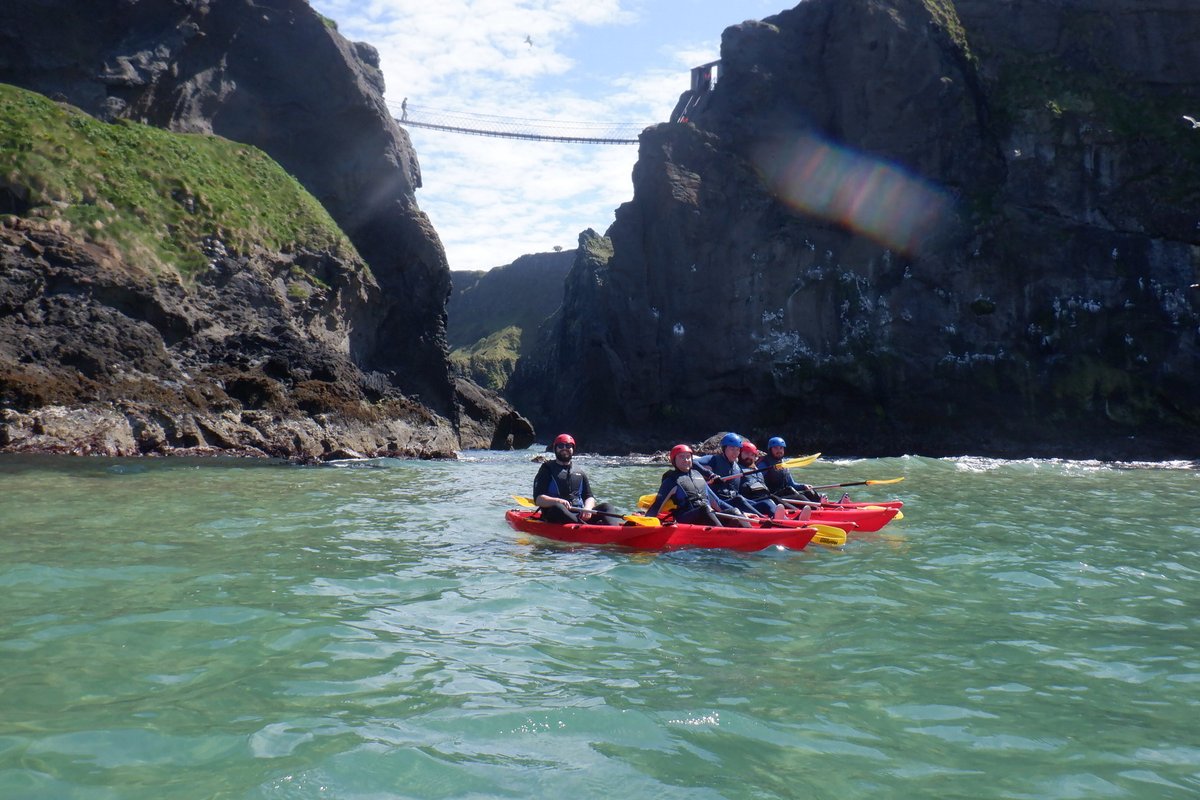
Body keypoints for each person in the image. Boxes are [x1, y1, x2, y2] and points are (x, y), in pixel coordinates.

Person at [643, 444, 751, 527]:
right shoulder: (671, 480)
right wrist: (644, 522)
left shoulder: (698, 475)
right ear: (674, 460)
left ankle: (751, 532)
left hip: (707, 514)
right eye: (681, 457)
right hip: (685, 518)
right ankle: (722, 533)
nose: (686, 460)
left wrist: (741, 514)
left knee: (734, 511)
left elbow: (716, 503)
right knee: (704, 509)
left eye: (688, 457)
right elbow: (658, 505)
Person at [533, 433, 618, 525]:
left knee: (607, 507)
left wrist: (588, 509)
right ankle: (587, 528)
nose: (565, 448)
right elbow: (538, 499)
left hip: (579, 515)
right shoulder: (546, 469)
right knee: (557, 508)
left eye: (568, 446)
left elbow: (589, 497)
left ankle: (615, 530)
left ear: (573, 449)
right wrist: (558, 501)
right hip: (557, 515)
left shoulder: (579, 472)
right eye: (561, 446)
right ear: (555, 448)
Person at [694, 432, 761, 518]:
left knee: (767, 502)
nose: (735, 452)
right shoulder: (713, 459)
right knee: (739, 499)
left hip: (733, 501)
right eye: (732, 449)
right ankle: (762, 519)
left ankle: (771, 519)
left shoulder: (737, 467)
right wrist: (709, 474)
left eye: (737, 449)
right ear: (724, 448)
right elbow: (693, 462)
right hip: (720, 502)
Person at [758, 436, 823, 504]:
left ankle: (821, 505)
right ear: (770, 449)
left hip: (784, 494)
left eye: (781, 448)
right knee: (792, 491)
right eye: (776, 448)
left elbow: (791, 484)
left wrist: (803, 486)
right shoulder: (764, 464)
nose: (779, 451)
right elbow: (758, 483)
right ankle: (815, 507)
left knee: (810, 492)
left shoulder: (784, 464)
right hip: (772, 497)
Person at [736, 441, 779, 518]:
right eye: (746, 453)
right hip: (750, 501)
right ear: (739, 454)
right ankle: (781, 520)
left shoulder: (757, 471)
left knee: (774, 498)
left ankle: (796, 519)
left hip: (763, 498)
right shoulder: (736, 469)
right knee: (767, 503)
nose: (749, 457)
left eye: (752, 454)